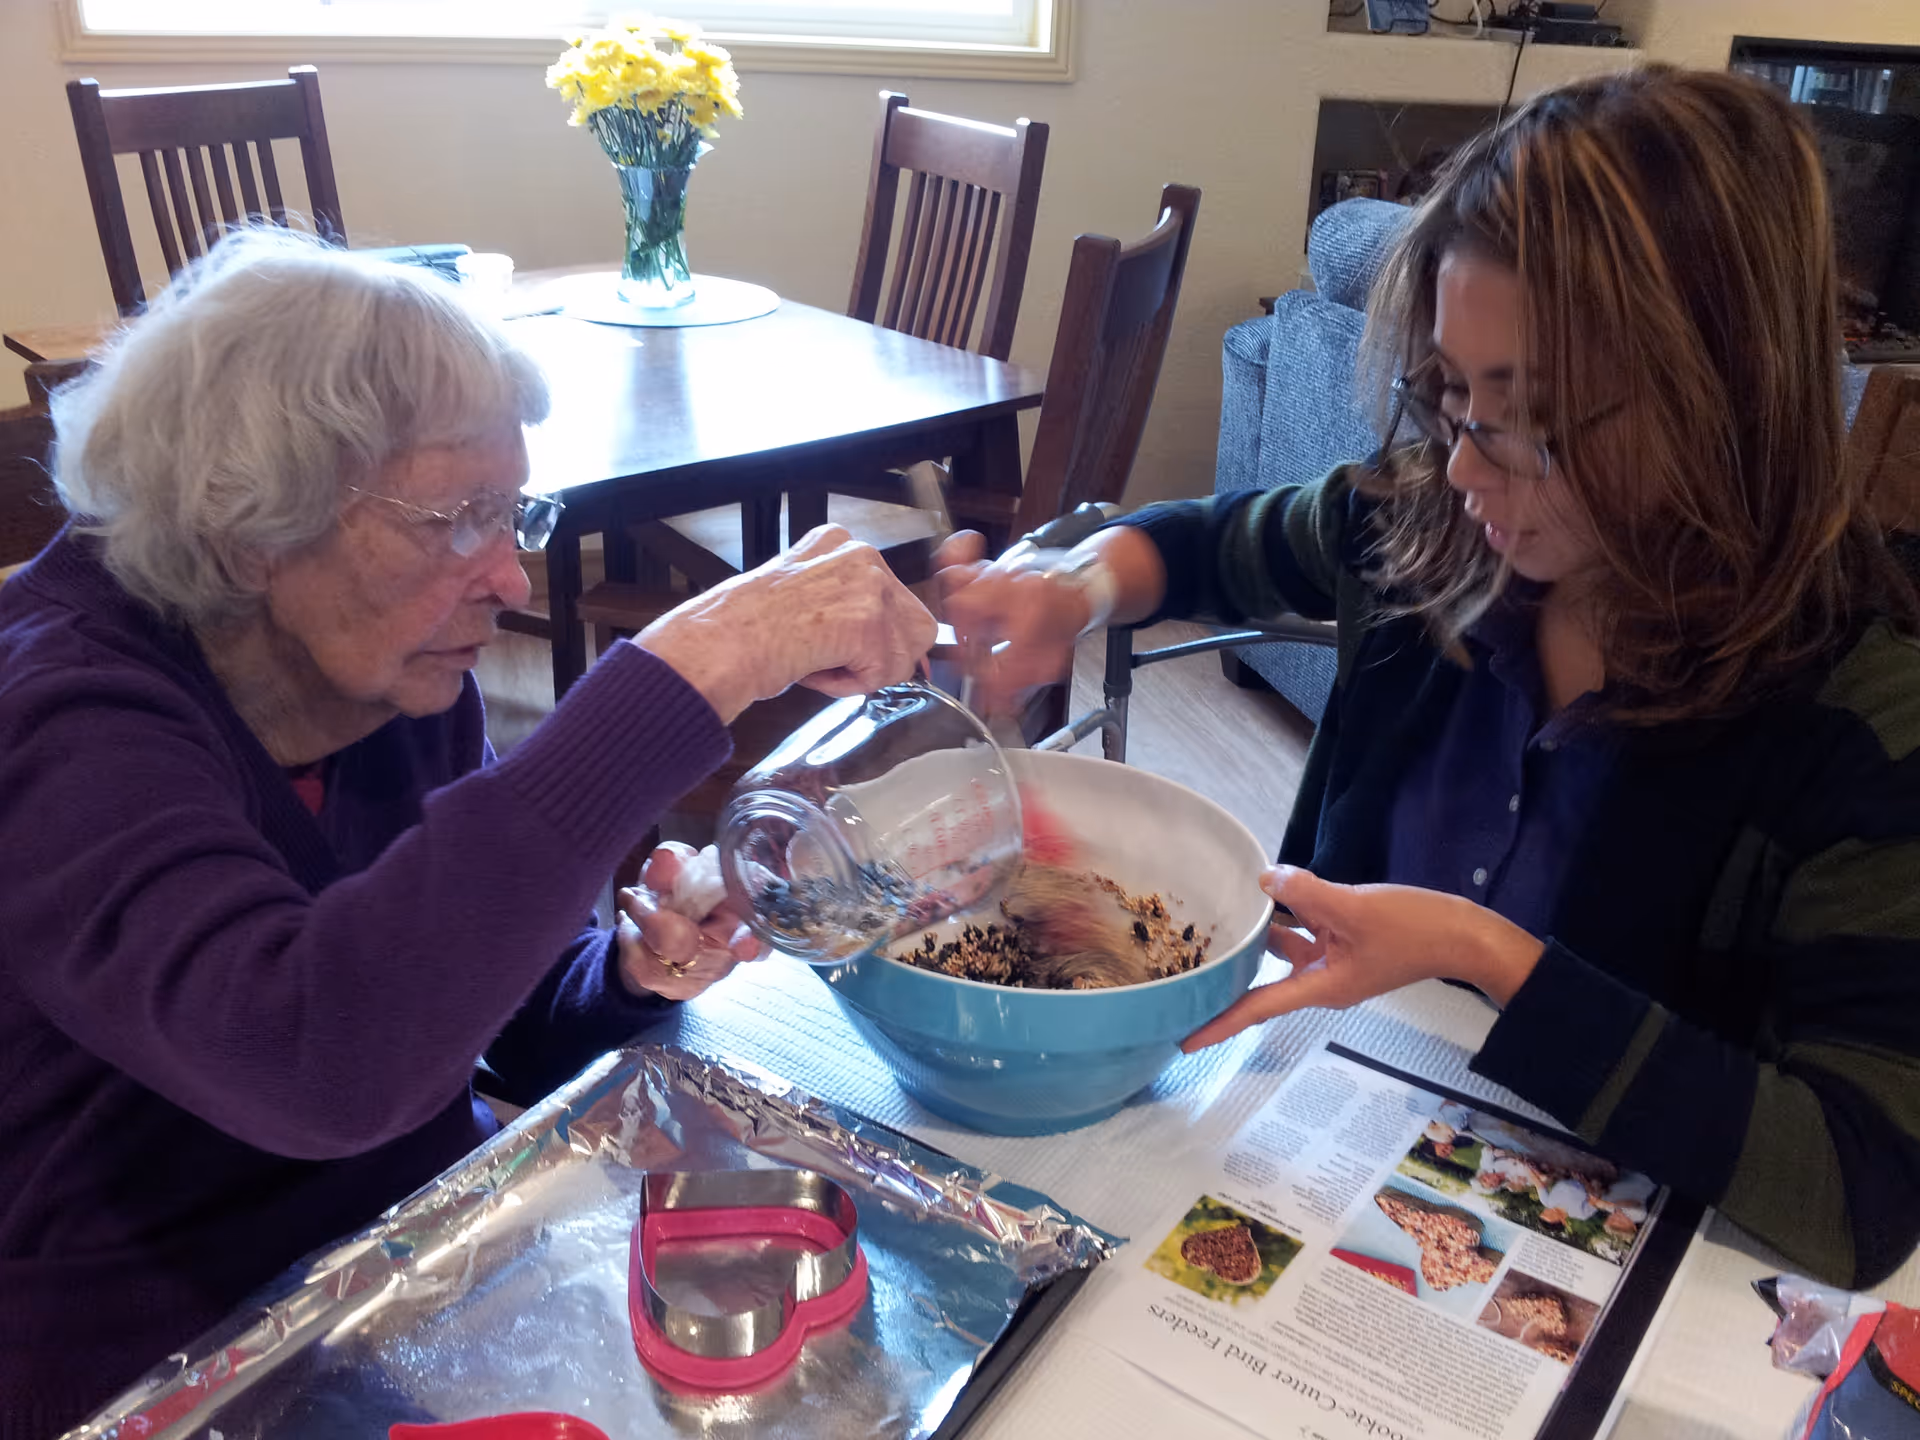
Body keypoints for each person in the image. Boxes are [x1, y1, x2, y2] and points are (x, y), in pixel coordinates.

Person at [940, 67, 1920, 1288]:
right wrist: (1078, 585)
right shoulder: (1429, 531)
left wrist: (1484, 952)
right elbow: (1204, 545)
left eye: (1524, 419)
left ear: (1719, 399)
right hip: (1304, 1170)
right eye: (1450, 393)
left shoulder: (1865, 718)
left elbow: (1862, 1191)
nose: (1463, 465)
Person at [0, 231, 936, 1434]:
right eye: (456, 520)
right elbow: (319, 1059)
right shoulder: (58, 716)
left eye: (514, 515)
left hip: (404, 1269)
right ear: (251, 531)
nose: (509, 580)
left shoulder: (379, 672)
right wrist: (698, 662)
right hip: (149, 1352)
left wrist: (631, 973)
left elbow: (489, 1027)